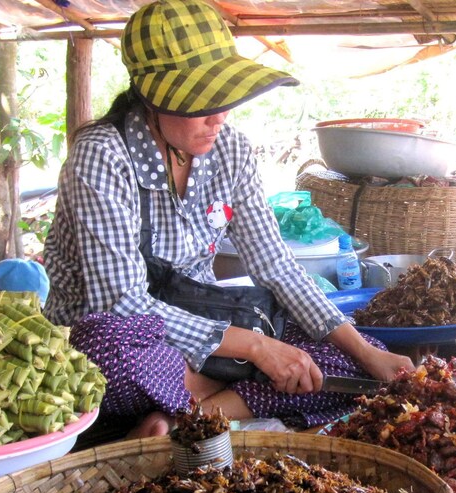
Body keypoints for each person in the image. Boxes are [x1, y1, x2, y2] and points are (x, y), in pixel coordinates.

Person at [43, 0, 413, 437]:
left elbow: (275, 266)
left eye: (224, 100)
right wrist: (257, 349)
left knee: (356, 360)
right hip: (129, 333)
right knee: (111, 352)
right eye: (201, 104)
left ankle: (185, 415)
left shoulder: (231, 151)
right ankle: (209, 399)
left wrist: (364, 352)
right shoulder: (103, 154)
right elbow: (121, 303)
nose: (219, 117)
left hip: (205, 325)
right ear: (151, 97)